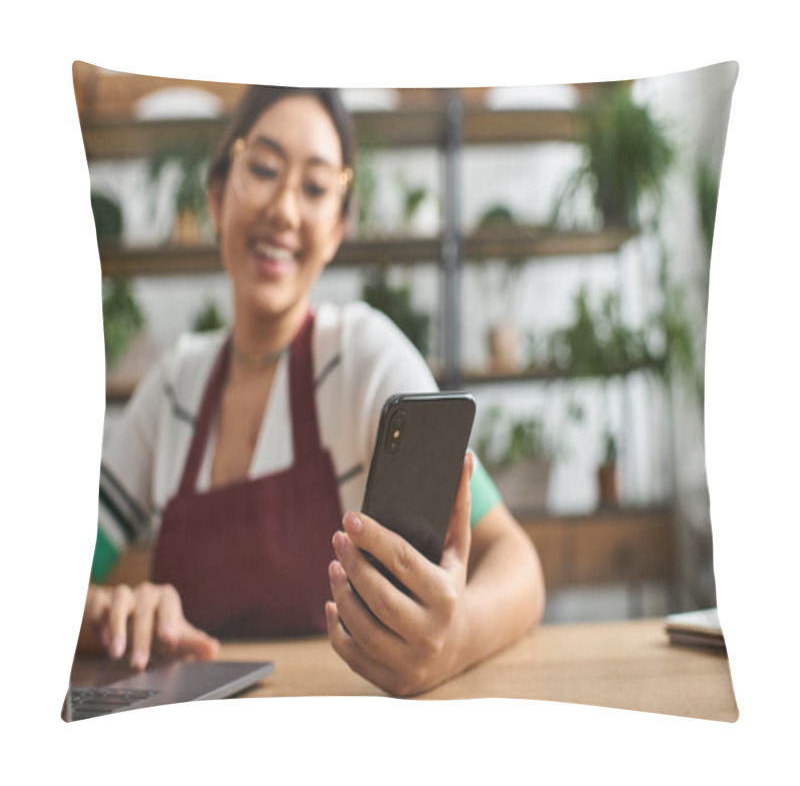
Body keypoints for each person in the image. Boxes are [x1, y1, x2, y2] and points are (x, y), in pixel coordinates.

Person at [77, 84, 545, 697]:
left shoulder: (365, 361)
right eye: (265, 169)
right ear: (218, 197)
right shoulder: (172, 388)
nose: (285, 210)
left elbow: (517, 562)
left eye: (316, 187)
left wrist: (454, 640)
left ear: (335, 230)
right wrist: (107, 616)